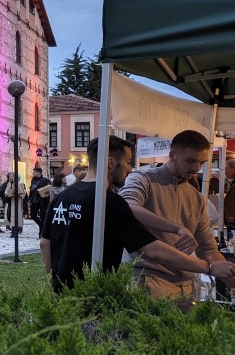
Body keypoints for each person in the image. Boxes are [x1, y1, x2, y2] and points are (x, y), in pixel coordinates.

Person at [41, 136, 235, 299]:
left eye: (201, 162)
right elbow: (151, 249)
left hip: (63, 292)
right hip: (97, 293)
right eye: (127, 162)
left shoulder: (61, 197)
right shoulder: (111, 201)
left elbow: (44, 244)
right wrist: (208, 267)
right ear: (111, 162)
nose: (129, 169)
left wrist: (53, 283)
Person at [119, 129, 229, 305]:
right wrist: (176, 227)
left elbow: (207, 247)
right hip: (148, 279)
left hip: (187, 284)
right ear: (172, 155)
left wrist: (227, 273)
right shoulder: (142, 179)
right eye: (190, 161)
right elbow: (127, 207)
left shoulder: (196, 197)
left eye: (202, 162)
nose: (196, 168)